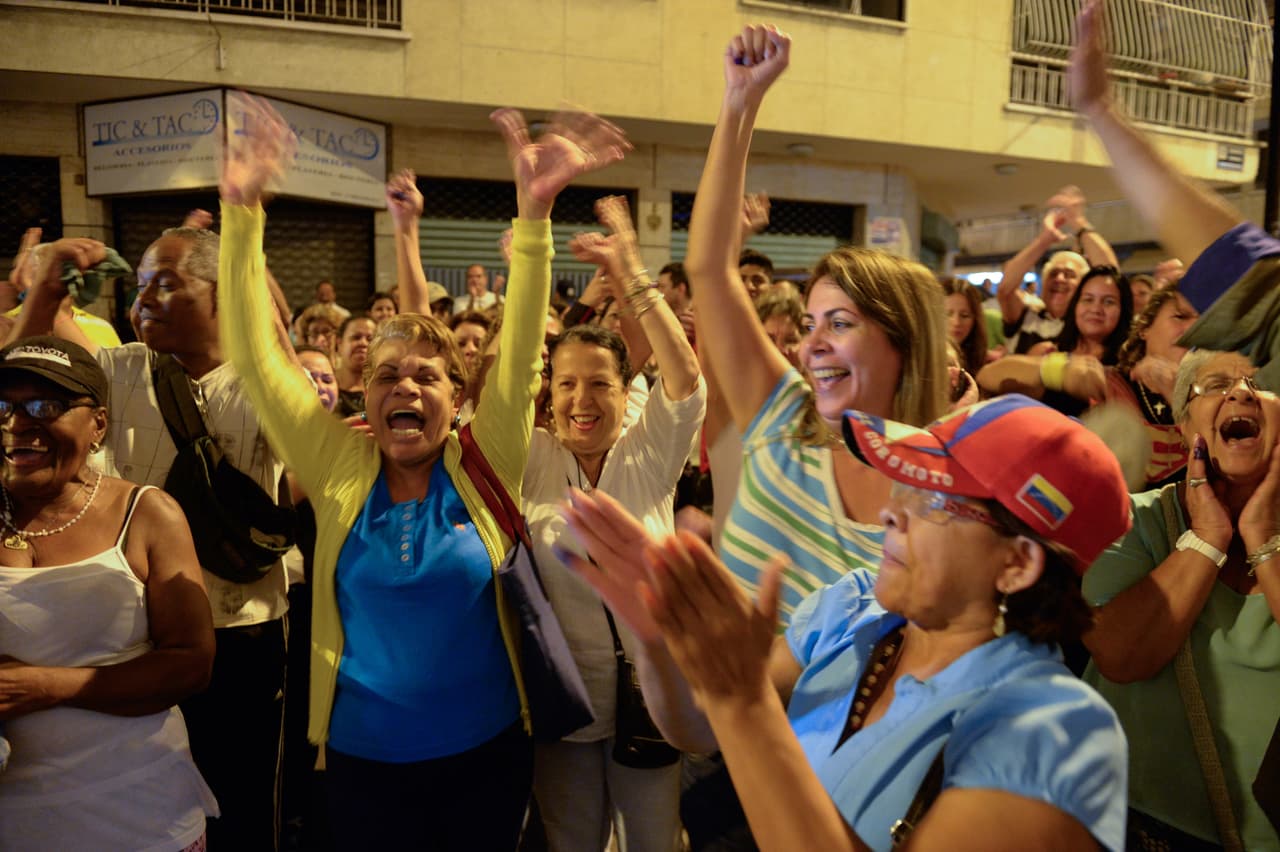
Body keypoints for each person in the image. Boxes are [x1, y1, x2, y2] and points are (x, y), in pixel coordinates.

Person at [216, 96, 630, 848]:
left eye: (427, 377)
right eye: (385, 375)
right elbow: (256, 357)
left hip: (489, 758)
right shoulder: (340, 465)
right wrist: (242, 218)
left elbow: (525, 350)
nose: (405, 387)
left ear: (457, 396)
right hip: (360, 764)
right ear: (362, 395)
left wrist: (534, 214)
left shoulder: (486, 457)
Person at [559, 388, 1132, 852]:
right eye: (905, 485)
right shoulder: (859, 608)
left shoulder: (1056, 730)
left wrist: (744, 703)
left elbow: (732, 713)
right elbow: (698, 728)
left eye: (932, 500)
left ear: (1016, 563)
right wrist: (658, 639)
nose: (891, 512)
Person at [6, 224, 291, 850]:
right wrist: (45, 296)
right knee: (151, 786)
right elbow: (23, 384)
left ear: (222, 295)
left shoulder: (267, 382)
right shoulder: (119, 370)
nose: (144, 301)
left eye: (165, 283)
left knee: (242, 803)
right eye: (138, 287)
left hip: (243, 629)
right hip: (137, 642)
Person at [681, 22, 948, 618]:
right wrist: (740, 103)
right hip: (723, 709)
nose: (812, 347)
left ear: (902, 342)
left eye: (841, 324)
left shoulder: (944, 490)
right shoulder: (782, 416)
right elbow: (707, 266)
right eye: (809, 325)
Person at [524, 195, 705, 852]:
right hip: (561, 700)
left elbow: (685, 377)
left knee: (653, 841)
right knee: (571, 841)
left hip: (649, 693)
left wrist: (631, 271)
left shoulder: (647, 453)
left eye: (599, 383)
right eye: (566, 384)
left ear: (626, 391)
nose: (581, 400)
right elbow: (503, 375)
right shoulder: (531, 458)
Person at [0, 335, 218, 850]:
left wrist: (44, 686)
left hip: (141, 815)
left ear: (98, 423)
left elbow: (192, 663)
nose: (16, 423)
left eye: (46, 405)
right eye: (4, 406)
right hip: (16, 822)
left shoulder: (145, 514)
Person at [1083, 350, 1280, 850]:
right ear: (1180, 424)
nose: (1242, 393)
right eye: (1217, 384)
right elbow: (1121, 657)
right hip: (1142, 827)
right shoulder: (1132, 520)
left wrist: (1261, 537)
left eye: (1261, 384)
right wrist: (1208, 538)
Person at [977, 264, 1133, 417]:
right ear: (1075, 305)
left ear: (1123, 310)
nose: (1096, 309)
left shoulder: (1129, 365)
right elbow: (986, 376)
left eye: (1108, 302)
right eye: (1088, 299)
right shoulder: (1048, 351)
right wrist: (1060, 371)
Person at [998, 185, 1117, 354]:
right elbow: (1005, 289)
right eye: (1053, 273)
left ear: (1083, 288)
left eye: (1069, 275)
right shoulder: (1026, 317)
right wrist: (1044, 240)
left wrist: (1079, 224)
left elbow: (1110, 277)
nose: (1059, 279)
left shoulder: (1089, 322)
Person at [941, 277, 988, 377]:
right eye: (948, 314)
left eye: (964, 315)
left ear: (975, 319)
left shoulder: (981, 360)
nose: (956, 322)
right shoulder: (925, 360)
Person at [333, 313, 376, 417]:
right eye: (356, 337)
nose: (363, 343)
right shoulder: (323, 387)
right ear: (339, 344)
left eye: (370, 339)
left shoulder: (384, 391)